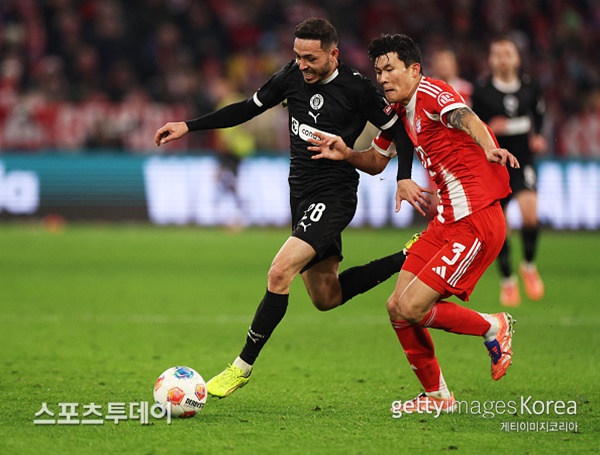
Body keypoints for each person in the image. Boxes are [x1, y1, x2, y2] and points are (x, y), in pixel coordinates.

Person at [154, 18, 419, 398]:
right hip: (301, 196)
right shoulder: (291, 77)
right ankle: (408, 256)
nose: (303, 65)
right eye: (297, 56)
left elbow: (401, 132)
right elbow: (246, 109)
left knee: (279, 273)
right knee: (326, 297)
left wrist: (402, 176)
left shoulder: (358, 89)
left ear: (333, 54)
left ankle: (241, 366)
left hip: (335, 195)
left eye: (311, 58)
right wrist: (189, 125)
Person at [308, 33, 519, 413]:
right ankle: (437, 397)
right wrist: (346, 153)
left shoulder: (432, 93)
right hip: (446, 223)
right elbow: (376, 162)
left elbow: (466, 117)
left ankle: (493, 326)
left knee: (412, 307)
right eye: (378, 72)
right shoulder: (397, 113)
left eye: (390, 69)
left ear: (414, 70)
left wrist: (489, 146)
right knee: (397, 308)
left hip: (476, 220)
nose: (383, 78)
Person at [471, 35, 547, 307]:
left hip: (523, 161)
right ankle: (508, 280)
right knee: (500, 228)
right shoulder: (481, 91)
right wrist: (489, 128)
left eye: (508, 54)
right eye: (497, 54)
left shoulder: (530, 87)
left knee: (530, 215)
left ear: (517, 58)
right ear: (490, 60)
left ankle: (528, 265)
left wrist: (538, 136)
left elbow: (539, 115)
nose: (503, 59)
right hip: (495, 166)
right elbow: (472, 125)